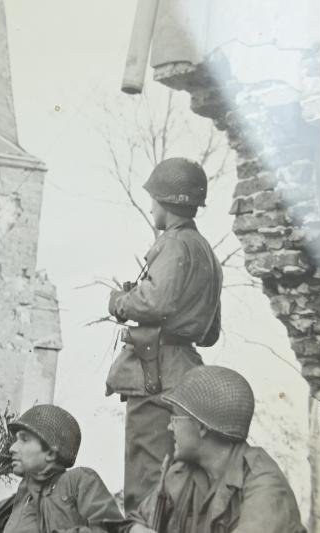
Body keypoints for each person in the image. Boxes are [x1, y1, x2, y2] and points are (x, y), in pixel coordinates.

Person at [105, 158, 223, 512]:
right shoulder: (207, 253)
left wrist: (120, 302)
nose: (151, 207)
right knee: (174, 483)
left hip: (153, 374)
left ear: (166, 202)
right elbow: (210, 333)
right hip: (185, 373)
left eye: (154, 199)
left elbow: (156, 302)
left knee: (145, 481)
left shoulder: (174, 244)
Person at [121, 365, 305, 533]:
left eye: (175, 419)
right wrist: (138, 530)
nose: (170, 427)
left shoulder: (264, 484)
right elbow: (135, 521)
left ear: (201, 427)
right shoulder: (182, 474)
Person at [0, 404, 124, 533]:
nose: (12, 448)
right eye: (16, 440)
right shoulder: (5, 509)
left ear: (50, 453)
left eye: (24, 439)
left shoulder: (76, 482)